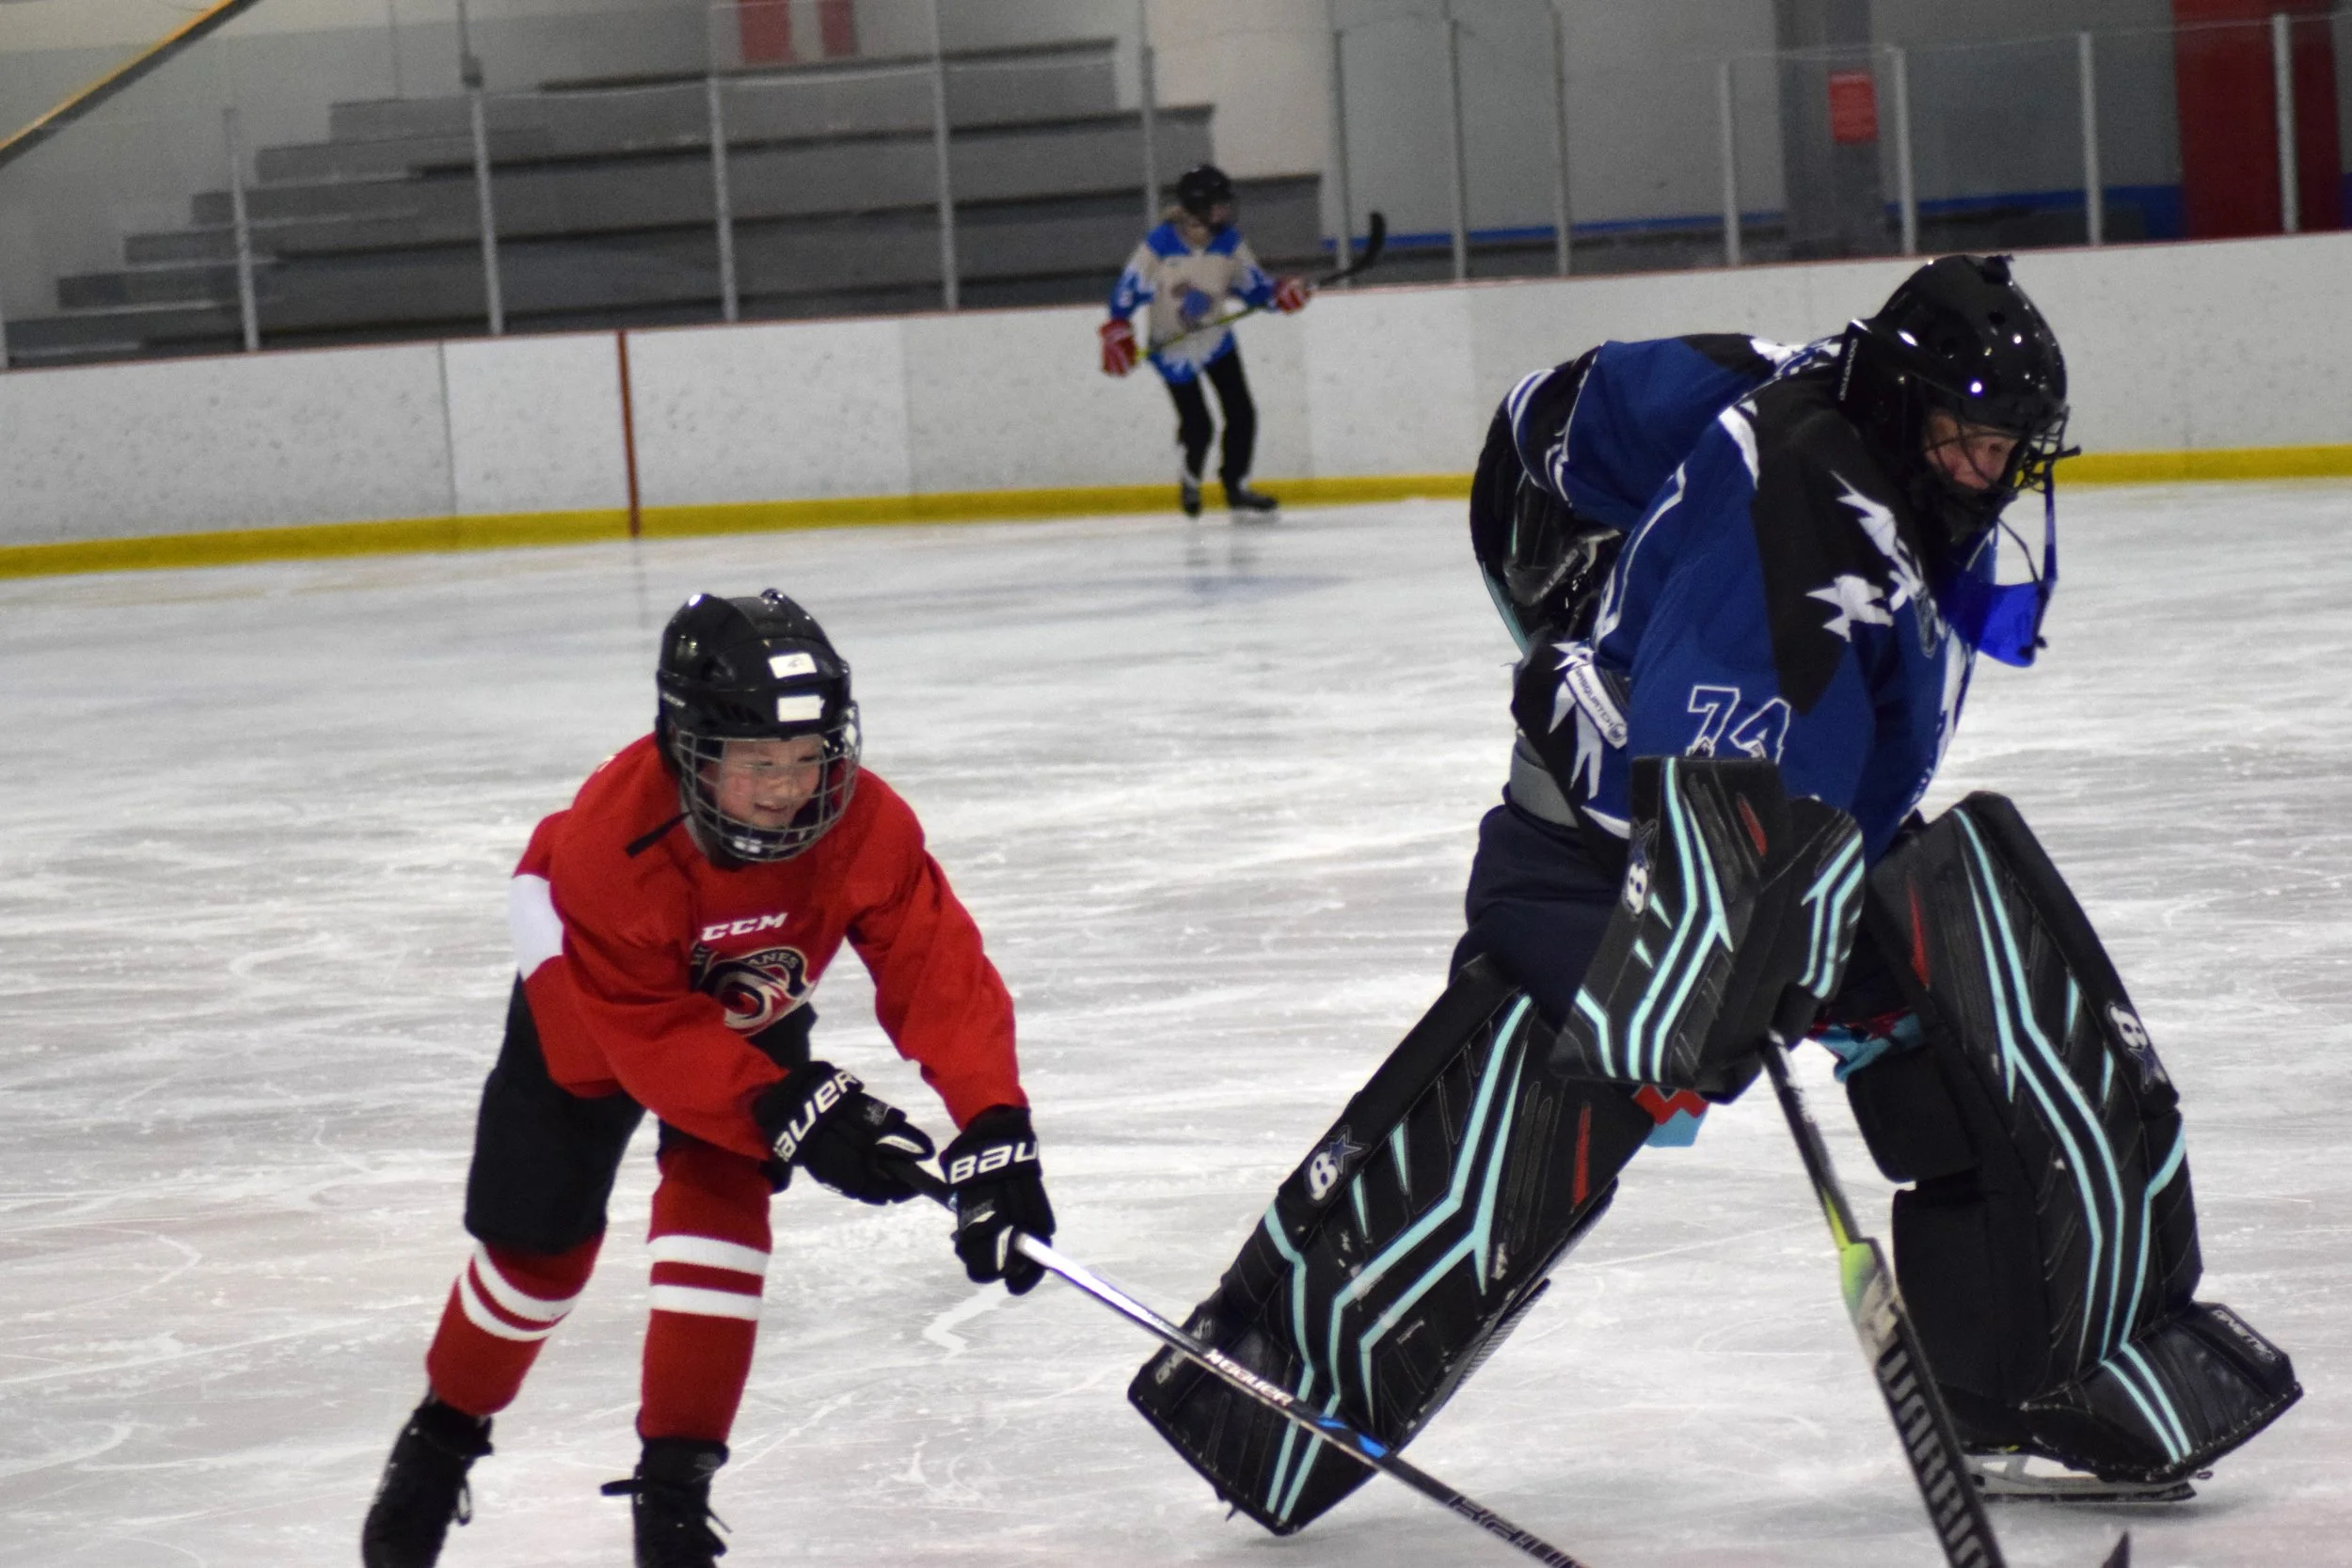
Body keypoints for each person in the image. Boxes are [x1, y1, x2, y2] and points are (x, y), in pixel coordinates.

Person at [1129, 256, 2296, 1531]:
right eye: (1964, 440)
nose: (1986, 471)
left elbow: (1558, 417)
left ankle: (2043, 1378)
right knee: (1534, 1121)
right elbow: (1729, 784)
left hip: (1779, 836)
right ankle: (1274, 1384)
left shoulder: (1791, 384)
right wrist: (1736, 925)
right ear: (1899, 403)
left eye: (2007, 449)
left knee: (2006, 999)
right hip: (1614, 865)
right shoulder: (1802, 510)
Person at [359, 590, 1055, 1568]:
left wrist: (994, 1121)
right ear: (689, 748)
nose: (788, 788)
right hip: (594, 995)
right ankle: (442, 1435)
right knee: (538, 1253)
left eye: (808, 756)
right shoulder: (611, 844)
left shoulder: (867, 822)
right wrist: (783, 1105)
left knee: (724, 1206)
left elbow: (936, 966)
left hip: (748, 993)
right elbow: (643, 1030)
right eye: (757, 761)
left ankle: (675, 1493)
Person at [1101, 163, 1309, 517]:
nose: (1225, 210)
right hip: (1173, 347)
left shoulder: (1229, 243)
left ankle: (1236, 486)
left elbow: (1255, 289)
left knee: (1241, 413)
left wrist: (1282, 295)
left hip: (1215, 339)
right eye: (1218, 204)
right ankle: (1191, 478)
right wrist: (1118, 327)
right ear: (1197, 206)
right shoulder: (1159, 244)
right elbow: (1127, 291)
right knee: (1199, 425)